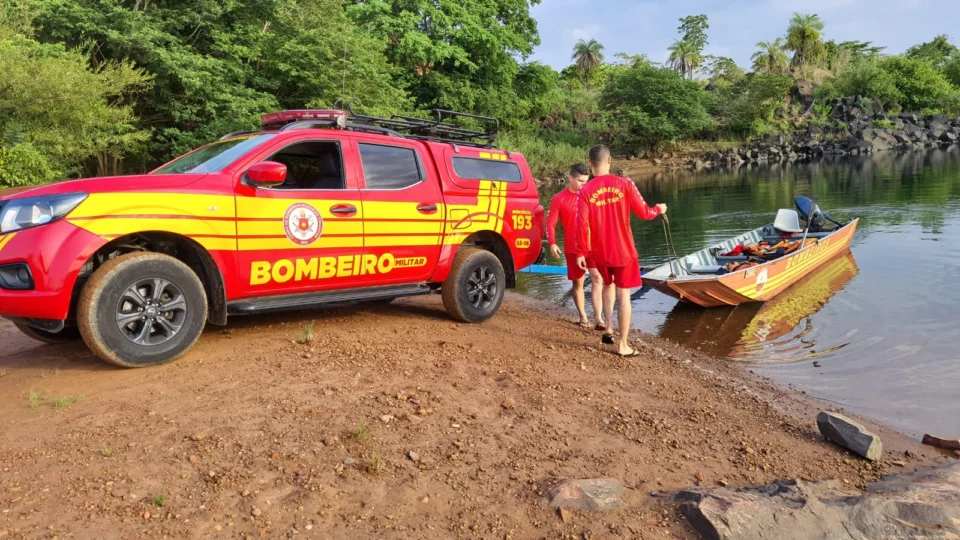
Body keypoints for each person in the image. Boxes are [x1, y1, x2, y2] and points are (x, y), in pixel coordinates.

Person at [573, 145, 667, 357]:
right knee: (624, 296)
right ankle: (623, 345)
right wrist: (659, 209)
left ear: (590, 164)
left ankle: (608, 327)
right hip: (624, 251)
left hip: (600, 253)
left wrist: (580, 253)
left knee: (608, 285)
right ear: (609, 161)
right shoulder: (625, 184)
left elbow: (581, 225)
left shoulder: (584, 191)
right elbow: (644, 212)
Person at [547, 164, 606, 330]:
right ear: (570, 178)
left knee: (597, 278)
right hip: (573, 248)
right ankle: (583, 317)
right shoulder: (559, 198)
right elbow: (551, 223)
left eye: (586, 181)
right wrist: (552, 242)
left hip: (593, 246)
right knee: (578, 284)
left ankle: (599, 318)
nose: (584, 184)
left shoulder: (591, 195)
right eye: (580, 180)